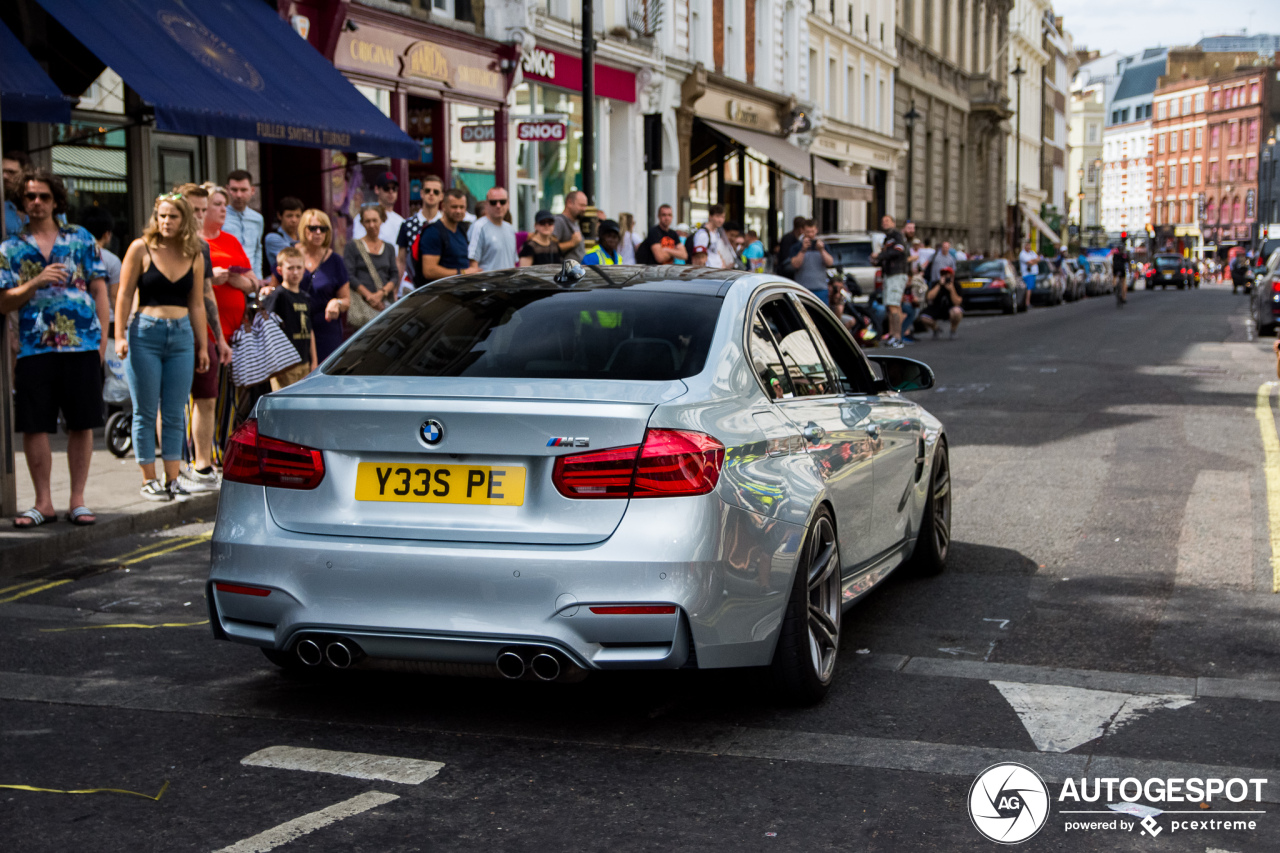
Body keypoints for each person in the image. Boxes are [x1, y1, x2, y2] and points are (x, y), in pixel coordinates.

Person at [0, 169, 110, 527]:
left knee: (82, 424)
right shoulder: (11, 247)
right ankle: (42, 502)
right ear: (21, 203)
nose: (36, 203)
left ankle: (77, 500)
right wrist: (36, 280)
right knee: (35, 425)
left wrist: (103, 344)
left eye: (43, 197)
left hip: (82, 345)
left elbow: (100, 291)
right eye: (30, 197)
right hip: (35, 346)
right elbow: (4, 303)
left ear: (56, 200)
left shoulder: (79, 238)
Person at [114, 193, 210, 502]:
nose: (166, 222)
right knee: (144, 410)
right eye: (161, 216)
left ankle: (172, 479)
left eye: (173, 217)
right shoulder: (140, 248)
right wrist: (119, 336)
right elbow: (124, 295)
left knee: (174, 411)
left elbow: (197, 304)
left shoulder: (194, 253)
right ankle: (148, 479)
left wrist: (203, 346)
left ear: (185, 220)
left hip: (182, 336)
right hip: (145, 333)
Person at [175, 183, 231, 494]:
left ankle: (203, 465)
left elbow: (207, 294)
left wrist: (219, 339)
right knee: (171, 403)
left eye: (201, 210)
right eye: (193, 210)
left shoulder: (202, 247)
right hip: (165, 331)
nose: (198, 216)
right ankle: (174, 470)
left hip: (200, 333)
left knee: (207, 398)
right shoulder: (151, 245)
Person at [296, 209, 350, 362]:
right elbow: (276, 286)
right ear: (303, 230)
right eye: (313, 228)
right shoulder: (291, 256)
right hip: (296, 328)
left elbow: (346, 301)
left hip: (326, 328)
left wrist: (336, 302)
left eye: (323, 228)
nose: (318, 232)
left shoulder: (335, 261)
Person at [261, 246, 316, 390]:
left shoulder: (305, 297)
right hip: (284, 364)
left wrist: (314, 361)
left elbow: (310, 330)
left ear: (304, 269)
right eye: (290, 268)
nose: (295, 272)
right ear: (280, 270)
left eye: (299, 267)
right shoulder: (278, 295)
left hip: (304, 362)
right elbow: (268, 331)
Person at [343, 204, 397, 315]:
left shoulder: (389, 248)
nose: (371, 225)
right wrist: (369, 296)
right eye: (367, 221)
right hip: (361, 307)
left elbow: (395, 275)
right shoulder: (352, 246)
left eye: (375, 220)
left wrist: (381, 294)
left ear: (381, 220)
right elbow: (349, 275)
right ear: (362, 223)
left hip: (385, 305)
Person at [418, 189, 474, 284]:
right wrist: (462, 273)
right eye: (454, 207)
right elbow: (429, 271)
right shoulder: (433, 232)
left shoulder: (463, 229)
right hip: (442, 293)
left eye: (462, 207)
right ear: (443, 206)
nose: (458, 211)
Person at [400, 174, 444, 291]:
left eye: (435, 192)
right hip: (411, 286)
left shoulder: (446, 225)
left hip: (441, 285)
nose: (431, 194)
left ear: (441, 196)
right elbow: (401, 260)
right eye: (427, 190)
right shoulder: (407, 224)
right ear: (421, 193)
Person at [871, 213, 909, 348]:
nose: (884, 223)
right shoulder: (888, 237)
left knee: (894, 305)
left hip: (896, 273)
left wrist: (880, 255)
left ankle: (898, 337)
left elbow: (899, 250)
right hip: (890, 274)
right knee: (891, 306)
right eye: (883, 221)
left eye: (887, 221)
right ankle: (893, 335)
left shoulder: (896, 235)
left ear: (893, 223)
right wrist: (878, 260)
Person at [223, 169, 265, 276]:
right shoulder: (220, 216)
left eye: (243, 190)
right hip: (228, 276)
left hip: (251, 279)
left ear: (252, 190)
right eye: (234, 190)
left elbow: (257, 250)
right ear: (227, 189)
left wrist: (258, 277)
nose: (239, 195)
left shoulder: (257, 219)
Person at [82, 209, 121, 319]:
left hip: (83, 316)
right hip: (109, 319)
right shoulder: (112, 260)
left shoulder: (76, 256)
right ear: (107, 234)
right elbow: (114, 296)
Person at [468, 187, 518, 271]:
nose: (498, 206)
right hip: (489, 283)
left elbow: (512, 263)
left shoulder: (510, 228)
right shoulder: (478, 227)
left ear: (508, 204)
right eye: (493, 202)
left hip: (509, 282)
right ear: (486, 204)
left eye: (502, 202)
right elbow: (473, 265)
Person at [352, 172, 405, 249]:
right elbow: (358, 245)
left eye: (394, 188)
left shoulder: (401, 221)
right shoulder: (365, 215)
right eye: (386, 188)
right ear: (377, 189)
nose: (391, 192)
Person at [786, 220, 835, 298]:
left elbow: (830, 263)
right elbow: (795, 265)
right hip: (802, 289)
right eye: (808, 232)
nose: (810, 235)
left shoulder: (823, 246)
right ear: (803, 231)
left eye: (812, 231)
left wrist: (822, 250)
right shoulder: (796, 247)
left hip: (821, 289)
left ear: (816, 230)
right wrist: (802, 250)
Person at [920, 266, 964, 340]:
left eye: (948, 274)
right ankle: (936, 329)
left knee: (957, 311)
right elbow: (929, 297)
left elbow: (957, 302)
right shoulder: (936, 284)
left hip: (950, 308)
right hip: (937, 308)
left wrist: (951, 289)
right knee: (923, 317)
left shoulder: (956, 285)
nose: (946, 276)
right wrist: (939, 285)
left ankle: (953, 330)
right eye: (943, 274)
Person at [263, 196, 302, 275]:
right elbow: (292, 259)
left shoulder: (303, 237)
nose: (294, 220)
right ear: (279, 216)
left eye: (298, 216)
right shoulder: (273, 237)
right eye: (289, 216)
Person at [554, 190, 587, 261]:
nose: (584, 209)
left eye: (585, 206)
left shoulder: (575, 222)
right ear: (569, 203)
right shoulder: (559, 221)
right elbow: (550, 249)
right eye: (581, 205)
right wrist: (571, 243)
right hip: (566, 269)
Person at [3, 151, 30, 236]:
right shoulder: (3, 207)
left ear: (25, 173)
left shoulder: (45, 202)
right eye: (2, 172)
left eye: (11, 172)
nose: (4, 176)